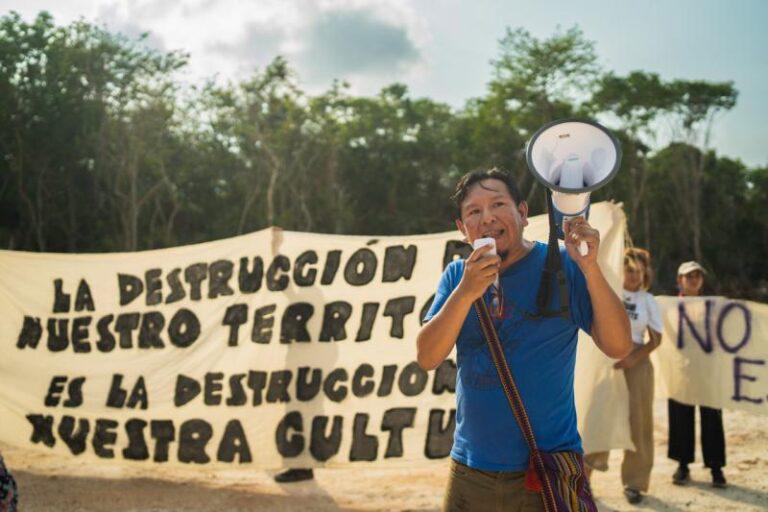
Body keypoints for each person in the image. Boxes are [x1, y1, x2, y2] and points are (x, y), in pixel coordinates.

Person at [416, 168, 632, 511]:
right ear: (462, 229)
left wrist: (590, 267)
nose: (487, 218)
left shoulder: (562, 266)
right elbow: (427, 357)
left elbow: (619, 346)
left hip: (545, 467)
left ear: (523, 213)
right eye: (474, 211)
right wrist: (465, 293)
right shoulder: (458, 275)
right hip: (471, 469)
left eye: (498, 204)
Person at [583, 248, 662, 504]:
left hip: (637, 363)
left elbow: (656, 339)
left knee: (639, 422)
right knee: (599, 418)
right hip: (608, 361)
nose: (634, 276)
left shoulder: (647, 300)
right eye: (629, 270)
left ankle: (634, 483)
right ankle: (585, 479)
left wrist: (631, 359)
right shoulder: (611, 290)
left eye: (639, 271)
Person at [668, 261, 727, 488]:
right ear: (679, 281)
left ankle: (716, 467)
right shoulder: (670, 307)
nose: (693, 279)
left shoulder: (713, 307)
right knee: (681, 417)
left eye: (697, 276)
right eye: (688, 276)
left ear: (702, 280)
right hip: (681, 370)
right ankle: (683, 465)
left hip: (709, 372)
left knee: (712, 417)